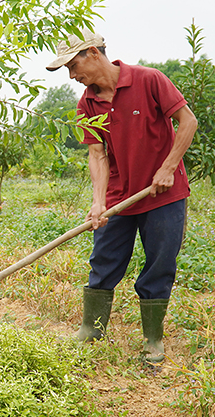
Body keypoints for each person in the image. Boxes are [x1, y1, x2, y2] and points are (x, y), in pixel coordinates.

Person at [46, 29, 198, 365]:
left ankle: (153, 341)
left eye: (73, 66)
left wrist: (168, 167)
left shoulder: (149, 80)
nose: (72, 76)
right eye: (67, 70)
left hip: (164, 194)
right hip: (119, 197)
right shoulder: (87, 102)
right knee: (103, 260)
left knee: (159, 264)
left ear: (94, 53)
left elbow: (187, 122)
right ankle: (92, 329)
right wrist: (98, 201)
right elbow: (97, 155)